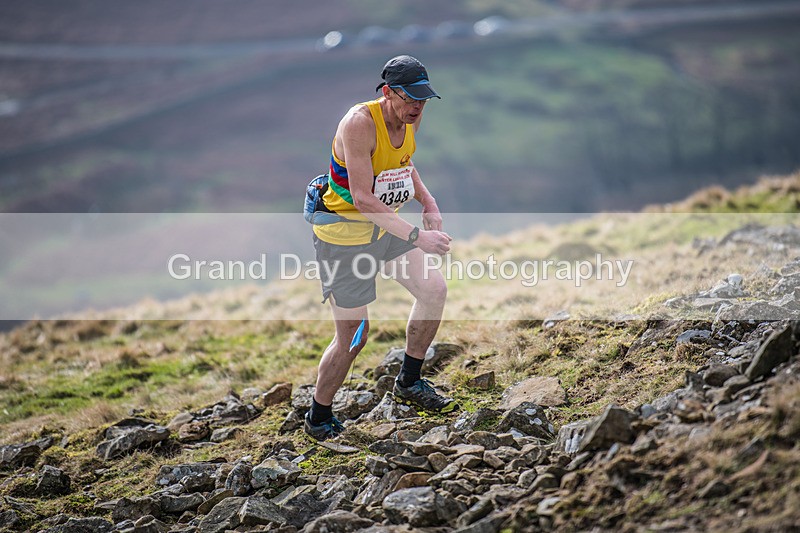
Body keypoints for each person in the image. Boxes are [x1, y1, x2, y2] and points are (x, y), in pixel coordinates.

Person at [304, 55, 458, 441]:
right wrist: (417, 236)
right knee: (355, 337)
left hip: (385, 230)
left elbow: (404, 163)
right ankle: (318, 417)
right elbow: (362, 198)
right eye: (410, 98)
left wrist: (428, 201)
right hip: (344, 239)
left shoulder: (410, 118)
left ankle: (409, 383)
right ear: (388, 92)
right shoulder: (358, 123)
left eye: (423, 99)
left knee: (434, 290)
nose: (417, 106)